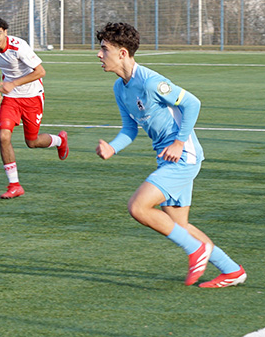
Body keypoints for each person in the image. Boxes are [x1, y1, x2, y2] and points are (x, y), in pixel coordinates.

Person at [95, 22, 246, 288]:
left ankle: (195, 250)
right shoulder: (120, 88)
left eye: (104, 49)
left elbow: (192, 103)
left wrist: (178, 142)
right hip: (166, 158)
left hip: (183, 156)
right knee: (178, 223)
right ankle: (232, 270)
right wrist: (112, 147)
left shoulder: (152, 82)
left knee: (138, 207)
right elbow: (130, 128)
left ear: (122, 53)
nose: (98, 54)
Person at [0, 16, 69, 199]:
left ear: (5, 32)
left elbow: (40, 72)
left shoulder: (19, 46)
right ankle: (14, 185)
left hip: (32, 96)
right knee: (3, 135)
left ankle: (60, 140)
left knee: (32, 142)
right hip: (11, 99)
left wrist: (13, 84)